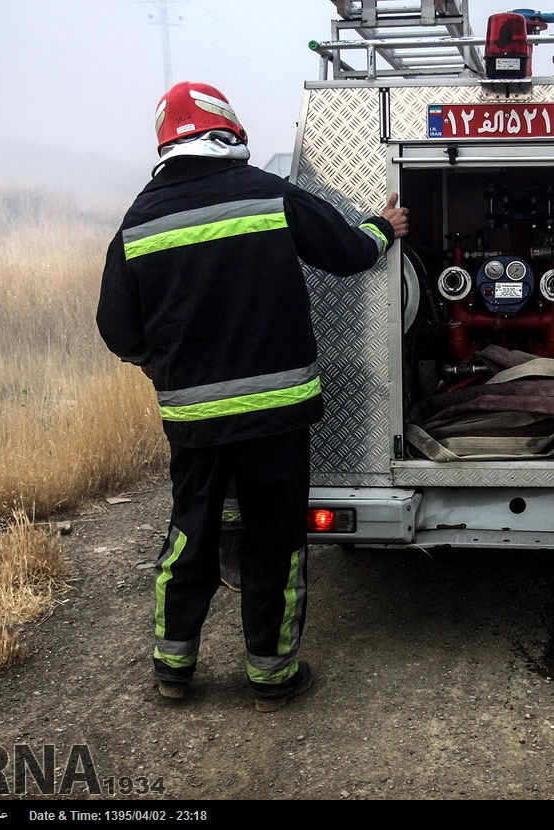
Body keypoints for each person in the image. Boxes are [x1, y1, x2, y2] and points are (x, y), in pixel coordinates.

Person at [97, 81, 409, 710]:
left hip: (195, 423)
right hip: (276, 415)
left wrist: (159, 368)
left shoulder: (138, 221)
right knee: (274, 538)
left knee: (191, 533)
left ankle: (173, 668)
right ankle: (271, 677)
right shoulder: (268, 196)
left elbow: (116, 328)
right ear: (229, 131)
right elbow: (346, 252)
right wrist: (384, 226)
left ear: (164, 143)